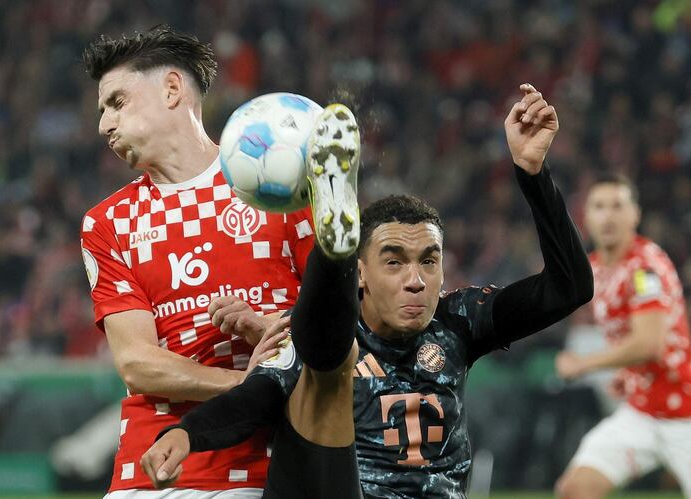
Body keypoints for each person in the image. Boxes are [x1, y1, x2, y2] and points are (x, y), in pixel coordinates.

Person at [142, 83, 594, 498]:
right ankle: (332, 244)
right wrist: (187, 433)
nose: (415, 279)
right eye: (394, 261)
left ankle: (331, 242)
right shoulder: (322, 334)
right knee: (321, 362)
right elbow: (255, 397)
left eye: (428, 262)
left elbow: (568, 288)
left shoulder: (459, 320)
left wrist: (533, 174)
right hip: (336, 485)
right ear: (363, 274)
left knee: (319, 357)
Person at [80, 26, 314, 498]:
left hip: (266, 462)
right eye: (102, 109)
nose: (103, 124)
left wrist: (271, 331)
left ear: (171, 89)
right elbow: (136, 363)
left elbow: (346, 319)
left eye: (117, 102)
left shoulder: (280, 187)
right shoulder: (107, 223)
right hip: (150, 468)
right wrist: (245, 383)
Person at [554, 174, 691, 499]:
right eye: (600, 206)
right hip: (641, 411)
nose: (609, 216)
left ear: (635, 215)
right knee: (574, 490)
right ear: (586, 216)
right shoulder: (595, 269)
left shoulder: (645, 268)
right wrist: (628, 374)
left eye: (618, 206)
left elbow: (649, 343)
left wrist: (584, 364)